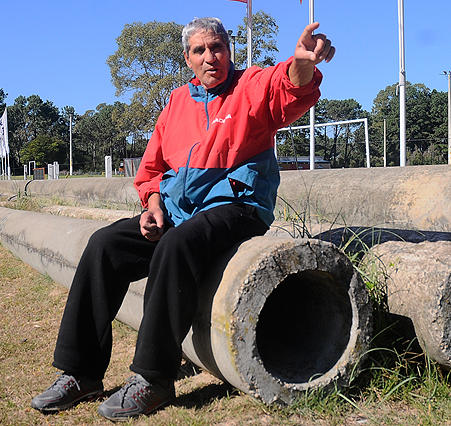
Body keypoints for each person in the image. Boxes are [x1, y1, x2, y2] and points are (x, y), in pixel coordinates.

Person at [31, 16, 335, 421]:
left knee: (176, 245)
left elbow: (289, 88)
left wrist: (302, 63)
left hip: (237, 206)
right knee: (105, 246)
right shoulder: (176, 102)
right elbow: (152, 168)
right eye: (199, 50)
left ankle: (153, 378)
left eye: (217, 48)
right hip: (177, 211)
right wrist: (153, 204)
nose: (210, 57)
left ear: (229, 50)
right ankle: (81, 373)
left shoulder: (249, 86)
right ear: (188, 58)